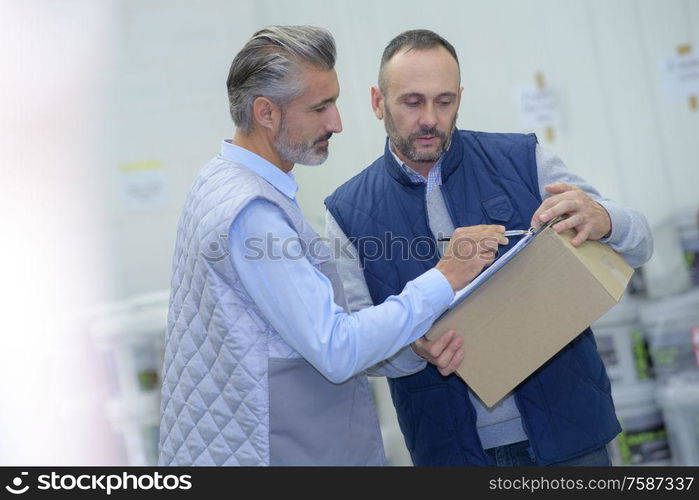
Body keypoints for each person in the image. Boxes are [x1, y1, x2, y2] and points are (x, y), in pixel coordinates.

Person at [158, 25, 497, 466]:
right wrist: (443, 278)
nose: (335, 123)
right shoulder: (252, 213)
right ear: (266, 113)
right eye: (320, 108)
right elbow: (337, 350)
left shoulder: (218, 180)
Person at [324, 29, 653, 466]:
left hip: (571, 438)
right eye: (412, 102)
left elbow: (641, 242)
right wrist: (411, 348)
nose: (429, 119)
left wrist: (607, 220)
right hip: (450, 453)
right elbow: (356, 344)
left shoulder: (522, 159)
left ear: (460, 96)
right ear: (377, 102)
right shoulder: (346, 212)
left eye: (444, 101)